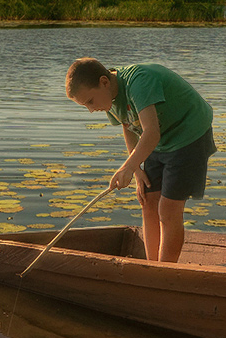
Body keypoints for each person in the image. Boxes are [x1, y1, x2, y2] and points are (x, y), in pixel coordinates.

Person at [65, 57, 216, 263]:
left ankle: (164, 272)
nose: (92, 110)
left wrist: (127, 167)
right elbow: (129, 126)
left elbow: (151, 132)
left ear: (104, 82)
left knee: (168, 209)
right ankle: (151, 266)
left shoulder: (139, 83)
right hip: (159, 140)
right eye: (86, 106)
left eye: (90, 102)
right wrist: (136, 170)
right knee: (147, 199)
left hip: (188, 134)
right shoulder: (109, 98)